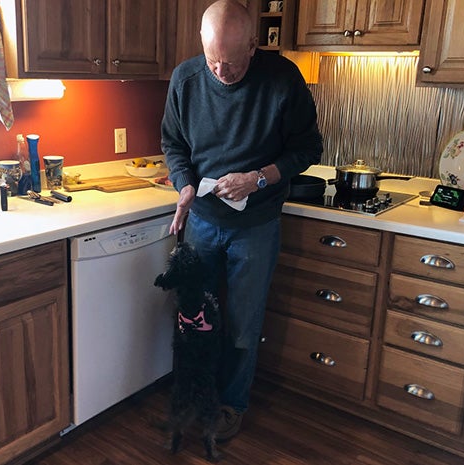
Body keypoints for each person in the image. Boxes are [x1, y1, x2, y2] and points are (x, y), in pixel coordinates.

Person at [160, 0, 323, 442]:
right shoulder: (186, 79)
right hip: (202, 221)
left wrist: (259, 178)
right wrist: (185, 185)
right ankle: (198, 395)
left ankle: (232, 404)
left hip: (256, 223)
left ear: (253, 45)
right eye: (213, 60)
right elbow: (173, 144)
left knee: (242, 321)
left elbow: (309, 149)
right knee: (198, 316)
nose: (220, 72)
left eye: (230, 63)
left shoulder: (283, 79)